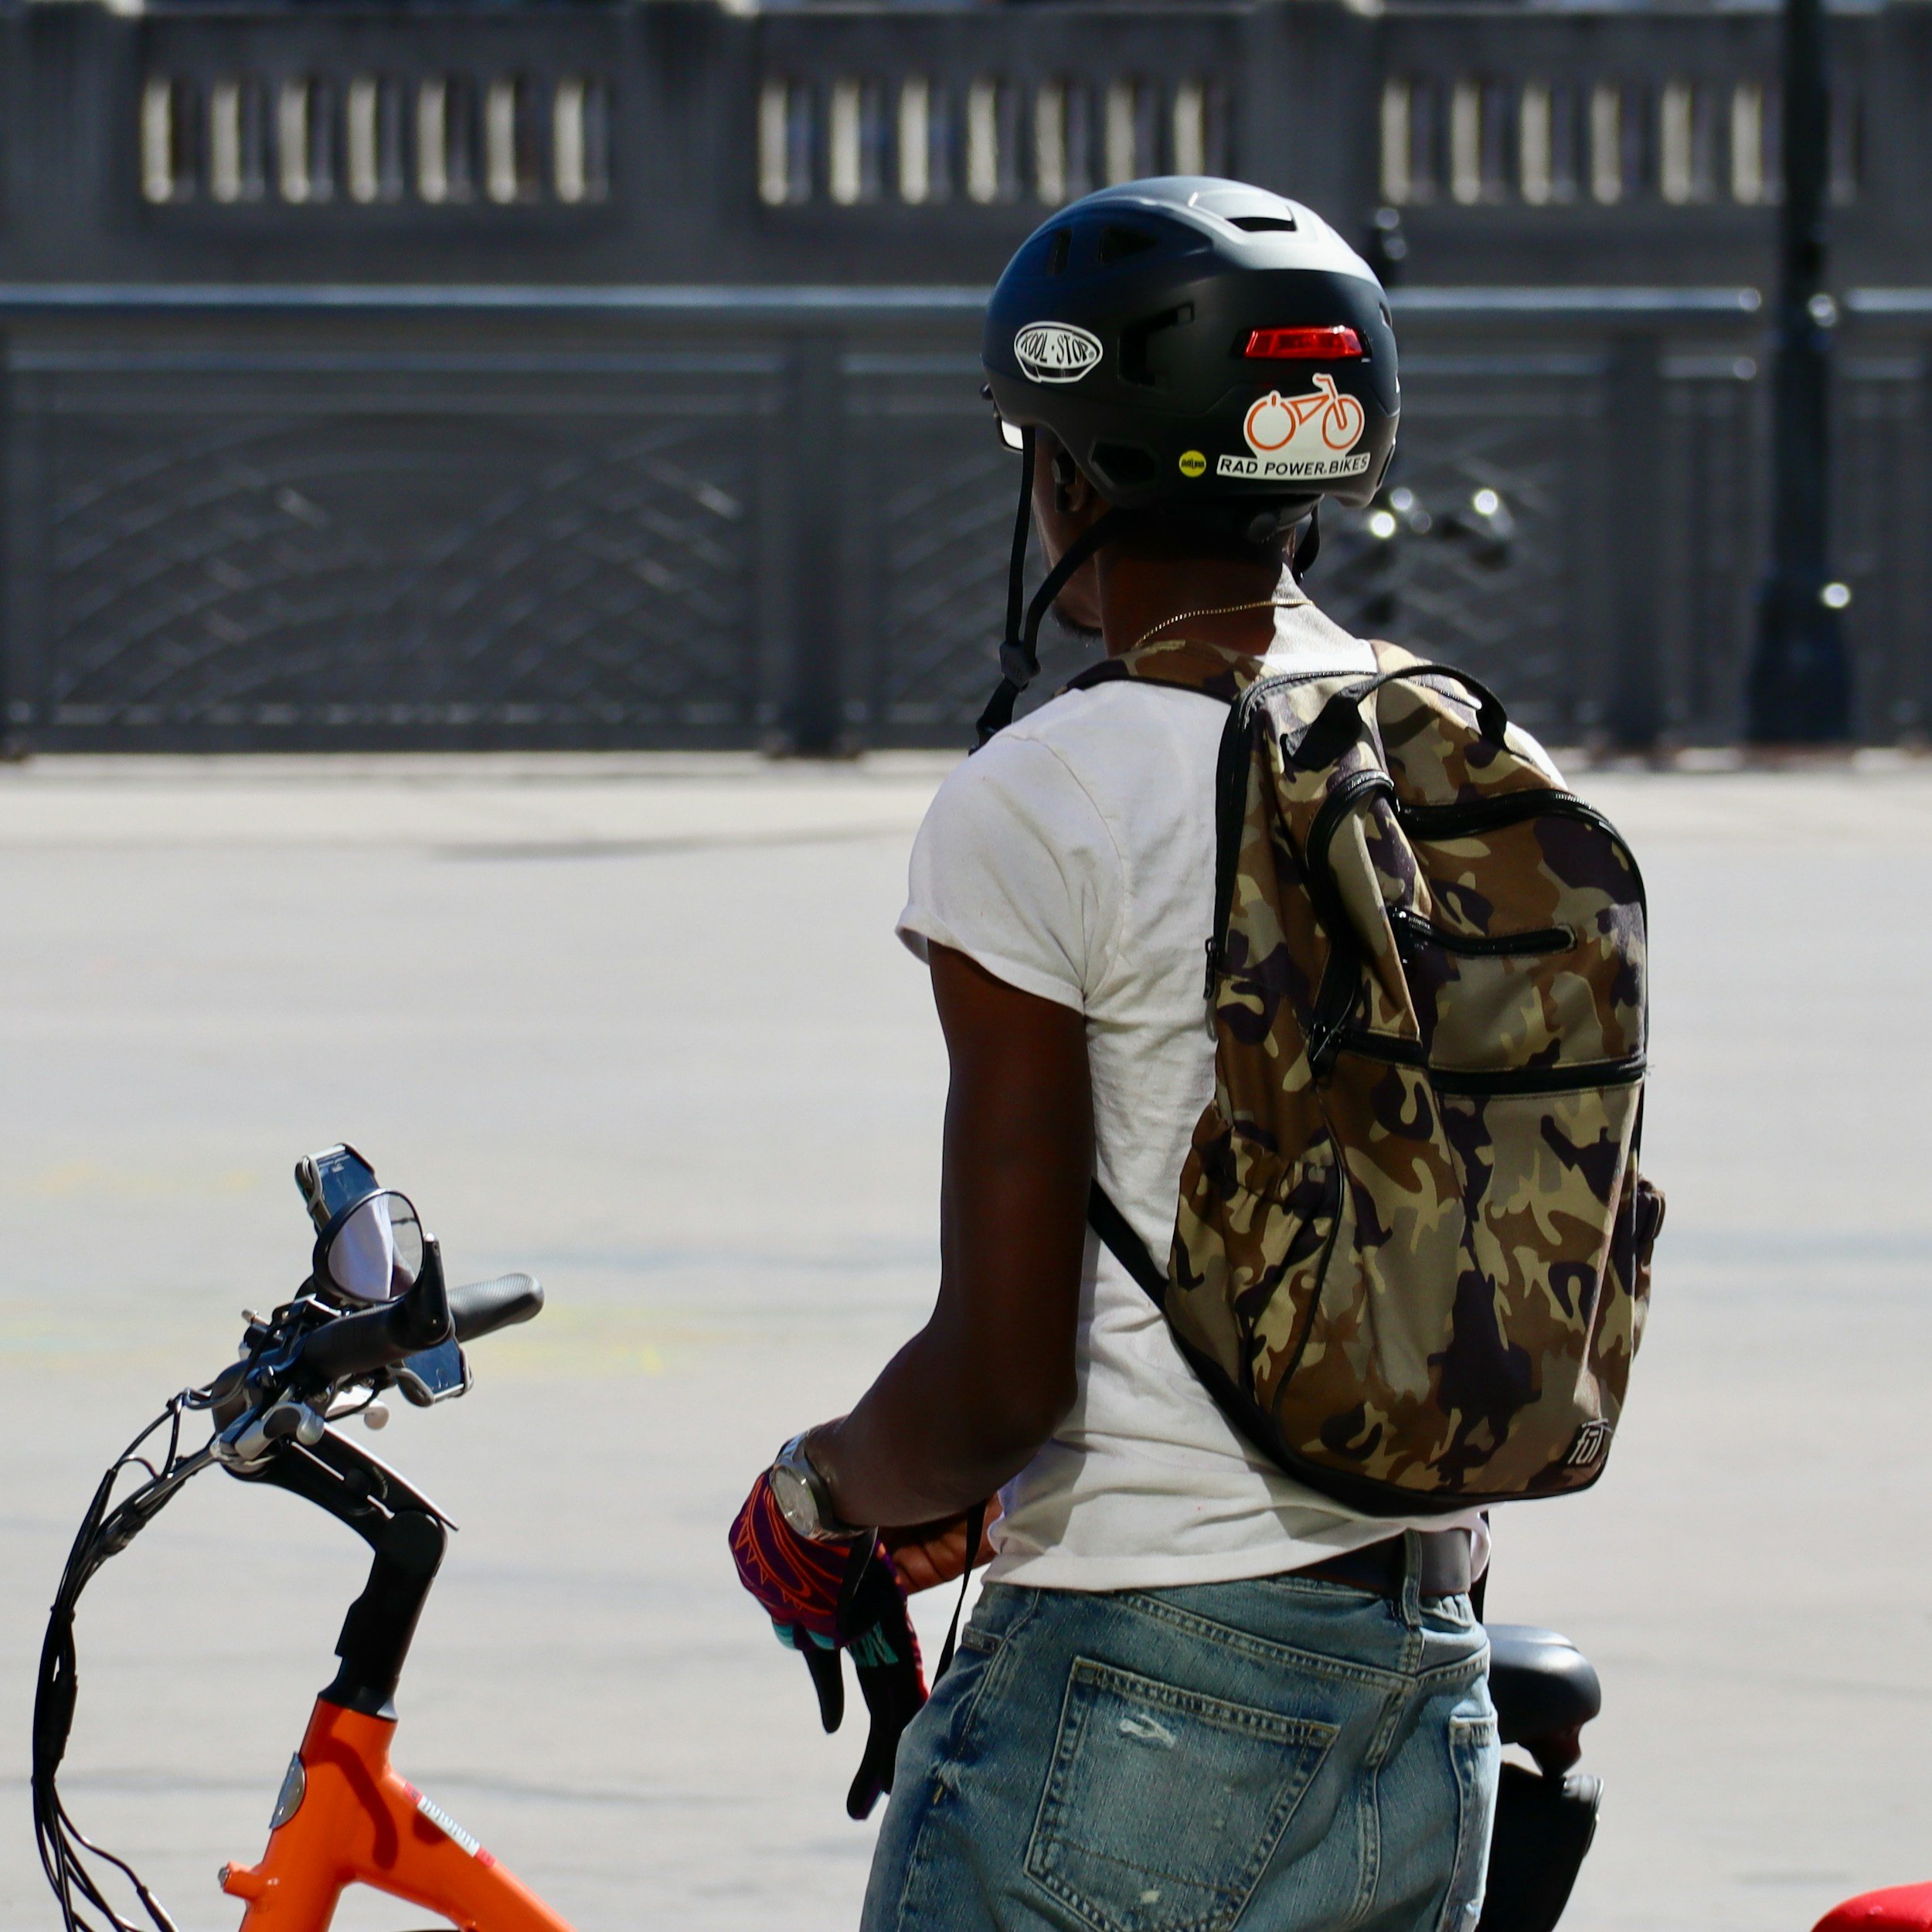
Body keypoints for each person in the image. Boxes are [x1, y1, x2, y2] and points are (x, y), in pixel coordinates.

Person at [732, 177, 1502, 1932]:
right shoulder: (1447, 745)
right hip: (1417, 1663)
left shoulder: (1042, 797)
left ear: (1069, 475)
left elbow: (1003, 1383)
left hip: (1140, 1688)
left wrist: (814, 1494)